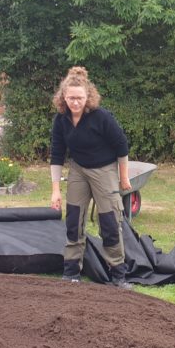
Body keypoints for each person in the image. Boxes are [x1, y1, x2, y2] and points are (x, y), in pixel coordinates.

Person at [50, 66, 132, 287]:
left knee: (109, 222)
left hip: (104, 170)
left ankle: (118, 275)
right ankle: (71, 273)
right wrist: (55, 190)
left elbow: (121, 146)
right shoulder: (61, 121)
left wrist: (123, 178)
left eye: (79, 98)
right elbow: (56, 155)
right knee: (74, 220)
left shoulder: (101, 117)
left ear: (88, 97)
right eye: (71, 98)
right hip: (78, 169)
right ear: (63, 98)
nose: (75, 103)